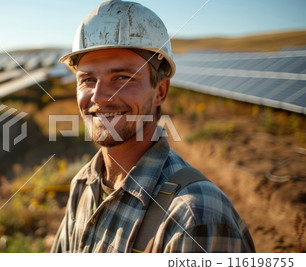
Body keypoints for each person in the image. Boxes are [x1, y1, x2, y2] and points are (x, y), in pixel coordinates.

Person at [51, 0, 255, 253]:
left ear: (160, 91)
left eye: (122, 78)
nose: (99, 96)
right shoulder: (83, 184)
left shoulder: (194, 216)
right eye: (88, 79)